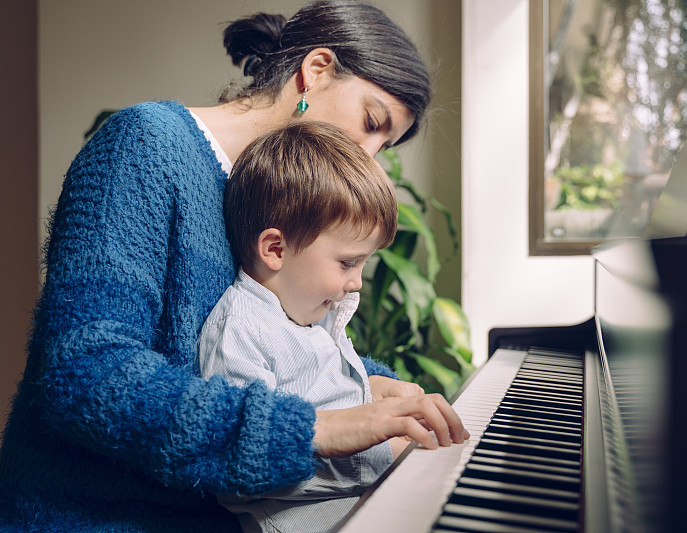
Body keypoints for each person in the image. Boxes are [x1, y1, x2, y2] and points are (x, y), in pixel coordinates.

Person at [0, 2, 468, 532]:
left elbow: (285, 341)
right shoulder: (142, 147)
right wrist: (315, 429)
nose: (369, 156)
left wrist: (372, 389)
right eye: (371, 123)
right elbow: (84, 375)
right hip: (99, 517)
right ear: (315, 70)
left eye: (385, 145)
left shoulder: (286, 191)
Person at [198, 120, 408, 533]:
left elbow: (323, 393)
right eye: (348, 262)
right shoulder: (241, 330)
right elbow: (240, 472)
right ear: (275, 249)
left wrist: (374, 387)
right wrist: (387, 455)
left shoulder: (310, 309)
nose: (357, 282)